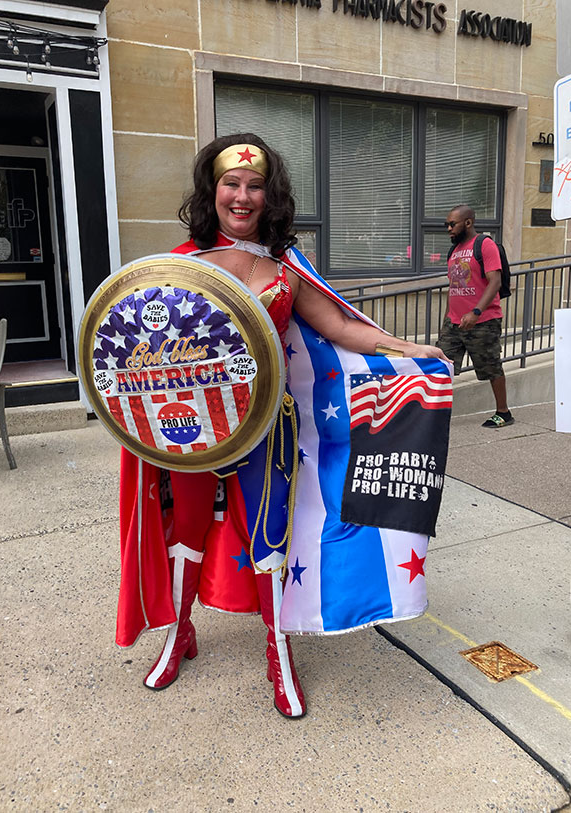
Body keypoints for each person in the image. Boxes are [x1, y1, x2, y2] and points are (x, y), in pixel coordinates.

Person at [117, 133, 450, 719]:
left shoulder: (286, 266)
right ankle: (179, 634)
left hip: (266, 428)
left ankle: (278, 651)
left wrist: (407, 348)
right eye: (231, 184)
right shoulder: (178, 265)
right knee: (187, 533)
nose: (242, 196)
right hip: (188, 432)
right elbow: (139, 352)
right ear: (211, 190)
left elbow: (344, 329)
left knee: (269, 539)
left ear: (270, 198)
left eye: (255, 186)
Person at [436, 204, 513, 428]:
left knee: (490, 365)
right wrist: (448, 316)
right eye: (446, 224)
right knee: (441, 365)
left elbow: (495, 282)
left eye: (452, 224)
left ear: (468, 223)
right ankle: (434, 414)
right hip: (454, 322)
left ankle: (503, 412)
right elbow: (454, 287)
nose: (448, 228)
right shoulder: (454, 250)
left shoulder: (484, 245)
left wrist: (476, 311)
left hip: (483, 321)